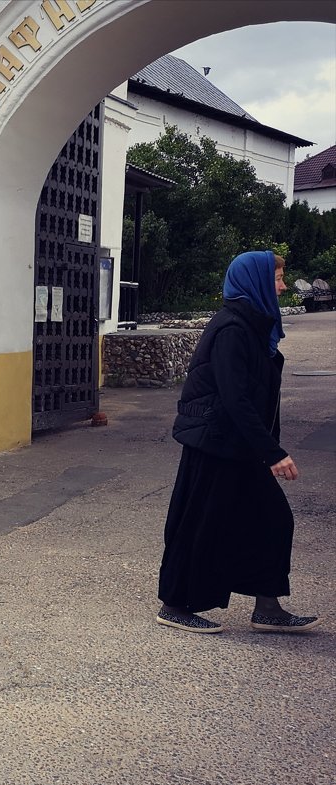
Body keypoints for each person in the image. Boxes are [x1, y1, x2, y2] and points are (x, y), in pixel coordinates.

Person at [156, 251, 320, 634]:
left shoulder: (252, 326)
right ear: (256, 282)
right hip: (215, 443)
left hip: (238, 445)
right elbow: (234, 397)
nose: (282, 286)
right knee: (200, 522)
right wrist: (272, 452)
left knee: (271, 519)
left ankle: (267, 605)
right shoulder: (233, 328)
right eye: (277, 278)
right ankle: (174, 604)